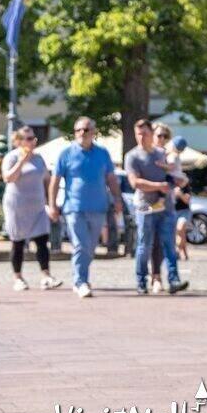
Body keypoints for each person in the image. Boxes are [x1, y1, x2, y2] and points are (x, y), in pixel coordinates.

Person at [49, 117, 121, 298]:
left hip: (98, 207)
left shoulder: (102, 153)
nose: (82, 133)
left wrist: (118, 199)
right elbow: (55, 181)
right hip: (74, 207)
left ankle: (80, 278)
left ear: (93, 132)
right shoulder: (66, 154)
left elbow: (111, 179)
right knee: (80, 245)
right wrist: (52, 205)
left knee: (90, 247)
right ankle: (80, 281)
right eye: (78, 130)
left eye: (86, 129)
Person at [124, 119, 187, 295]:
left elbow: (174, 175)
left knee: (168, 244)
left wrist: (178, 179)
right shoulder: (132, 156)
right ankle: (141, 281)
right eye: (138, 134)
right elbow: (134, 182)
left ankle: (174, 280)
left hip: (166, 207)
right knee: (144, 244)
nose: (141, 137)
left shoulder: (161, 154)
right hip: (144, 207)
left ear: (151, 134)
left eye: (144, 133)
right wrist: (159, 186)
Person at [2, 127, 59, 291]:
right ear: (18, 141)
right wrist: (22, 161)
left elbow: (47, 180)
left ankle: (46, 276)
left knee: (42, 240)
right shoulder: (11, 157)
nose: (32, 141)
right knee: (18, 243)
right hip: (17, 207)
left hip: (37, 207)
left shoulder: (39, 158)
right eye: (28, 138)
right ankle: (18, 278)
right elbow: (8, 178)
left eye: (33, 138)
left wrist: (51, 204)